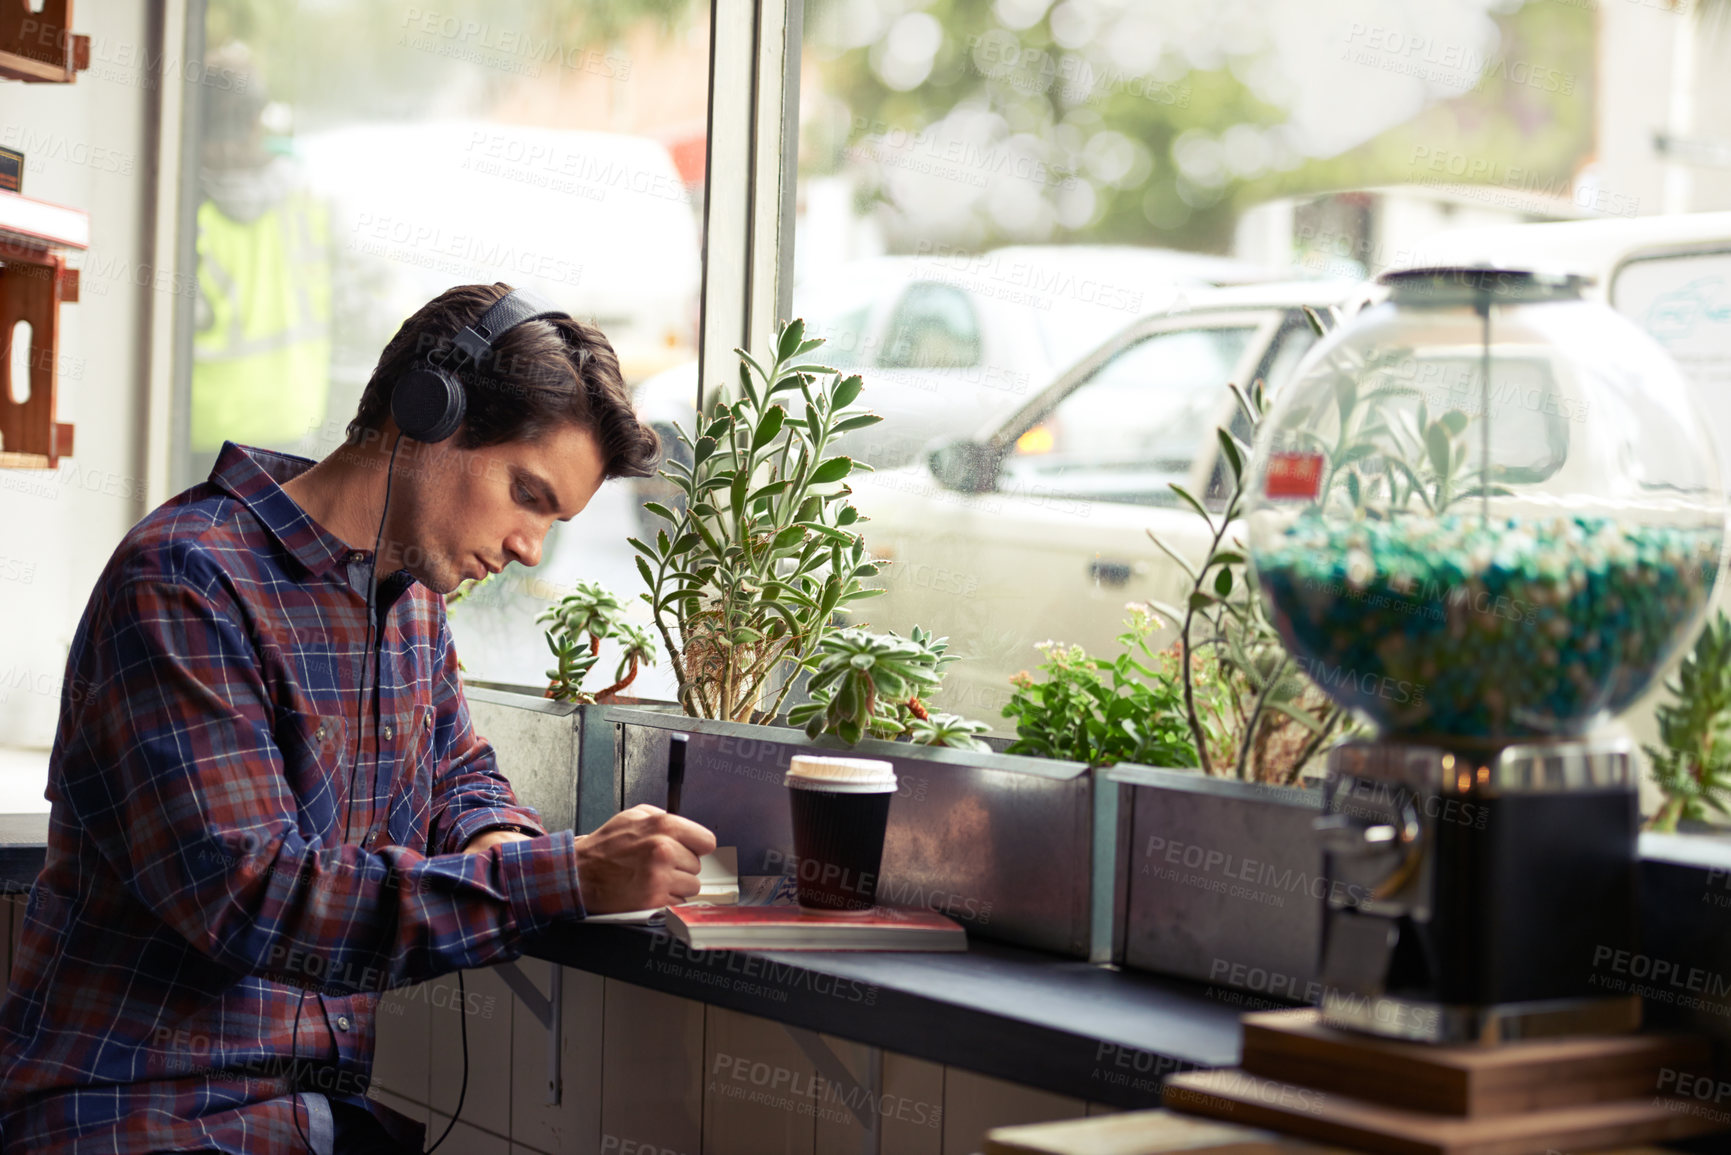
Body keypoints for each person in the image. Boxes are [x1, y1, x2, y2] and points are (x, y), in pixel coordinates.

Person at [0, 283, 717, 1154]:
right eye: (526, 493)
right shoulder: (187, 583)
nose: (534, 545)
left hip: (305, 1118)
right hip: (137, 1112)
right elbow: (254, 900)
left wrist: (499, 840)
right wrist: (557, 876)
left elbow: (460, 776)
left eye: (554, 519)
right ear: (425, 413)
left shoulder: (411, 602)